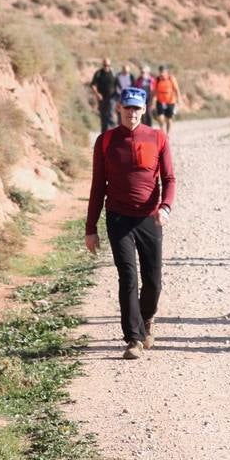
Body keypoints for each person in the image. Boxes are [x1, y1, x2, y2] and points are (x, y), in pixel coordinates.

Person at [86, 87, 177, 360]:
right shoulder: (106, 141)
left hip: (150, 217)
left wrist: (166, 207)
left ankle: (146, 317)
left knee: (153, 281)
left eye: (137, 108)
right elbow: (97, 187)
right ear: (119, 109)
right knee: (127, 276)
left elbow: (170, 179)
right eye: (127, 108)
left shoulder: (157, 138)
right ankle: (133, 339)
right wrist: (91, 228)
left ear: (144, 109)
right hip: (118, 217)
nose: (132, 113)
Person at [90, 58, 117, 135]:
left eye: (108, 65)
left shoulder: (113, 73)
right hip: (101, 98)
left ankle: (113, 134)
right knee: (103, 116)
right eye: (105, 65)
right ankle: (104, 134)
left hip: (112, 98)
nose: (106, 67)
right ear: (102, 65)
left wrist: (118, 96)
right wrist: (97, 94)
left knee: (111, 115)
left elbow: (117, 84)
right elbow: (92, 85)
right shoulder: (98, 73)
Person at [152, 65, 181, 134]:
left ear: (167, 72)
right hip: (160, 101)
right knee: (160, 119)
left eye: (163, 72)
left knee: (169, 119)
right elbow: (154, 91)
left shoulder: (171, 79)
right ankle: (163, 135)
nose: (162, 73)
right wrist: (152, 101)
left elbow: (176, 90)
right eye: (160, 72)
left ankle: (167, 135)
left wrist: (179, 99)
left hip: (170, 101)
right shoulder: (157, 79)